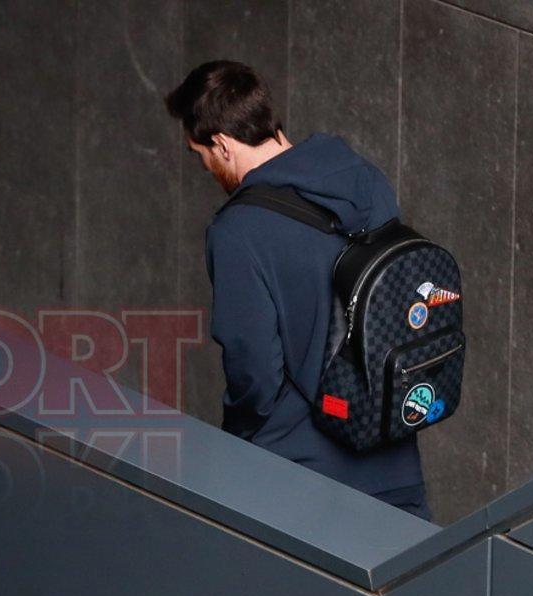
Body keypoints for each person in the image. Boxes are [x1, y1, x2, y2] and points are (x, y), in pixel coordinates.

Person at [165, 60, 429, 520]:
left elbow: (254, 369)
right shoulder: (365, 180)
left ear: (222, 145)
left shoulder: (237, 230)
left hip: (296, 476)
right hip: (391, 453)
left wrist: (238, 443)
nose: (207, 168)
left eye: (201, 155)